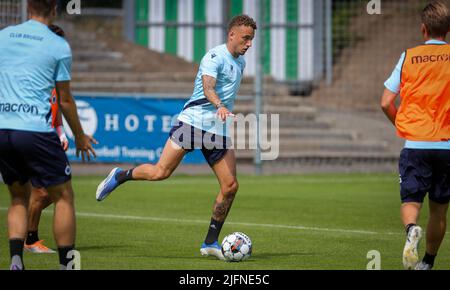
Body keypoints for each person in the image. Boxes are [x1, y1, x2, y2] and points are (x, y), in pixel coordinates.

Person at [96, 14, 257, 260]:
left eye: (252, 39)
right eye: (246, 38)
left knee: (230, 186)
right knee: (160, 172)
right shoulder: (214, 57)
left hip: (217, 130)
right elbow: (208, 87)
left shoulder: (241, 63)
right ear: (231, 34)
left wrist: (221, 112)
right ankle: (120, 175)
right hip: (192, 123)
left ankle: (210, 242)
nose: (249, 44)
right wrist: (219, 105)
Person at [0, 0, 97, 270]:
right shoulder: (58, 45)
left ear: (28, 6)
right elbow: (64, 100)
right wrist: (80, 135)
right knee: (63, 196)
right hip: (35, 131)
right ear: (54, 9)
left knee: (18, 197)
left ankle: (16, 260)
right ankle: (68, 265)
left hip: (3, 130)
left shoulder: (3, 36)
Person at [381, 0, 450, 270]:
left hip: (416, 144)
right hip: (446, 145)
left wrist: (404, 126)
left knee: (411, 201)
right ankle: (428, 263)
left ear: (423, 28)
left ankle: (411, 229)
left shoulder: (409, 56)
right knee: (439, 210)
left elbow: (386, 101)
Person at [25, 24, 69, 254]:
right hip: (32, 135)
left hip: (47, 137)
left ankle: (27, 237)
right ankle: (29, 239)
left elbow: (58, 103)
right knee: (45, 191)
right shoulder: (34, 69)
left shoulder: (53, 70)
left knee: (53, 190)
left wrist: (61, 131)